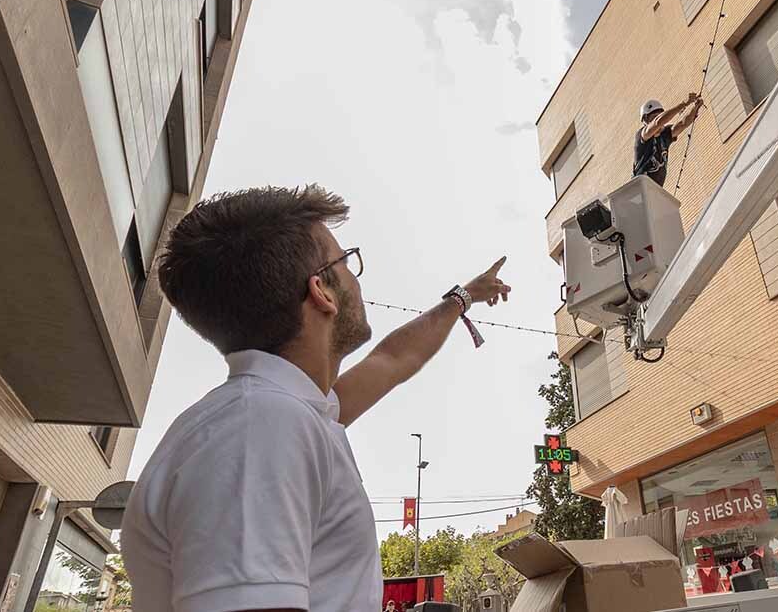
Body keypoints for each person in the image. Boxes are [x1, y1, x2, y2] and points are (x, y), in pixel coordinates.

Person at [121, 185, 511, 612]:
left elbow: (395, 359)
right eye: (346, 263)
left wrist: (463, 297)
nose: (357, 278)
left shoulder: (290, 412)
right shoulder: (261, 426)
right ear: (322, 291)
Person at [633, 92, 704, 187]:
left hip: (654, 190)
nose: (662, 121)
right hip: (639, 187)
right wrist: (684, 103)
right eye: (654, 116)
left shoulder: (664, 135)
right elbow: (658, 122)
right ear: (645, 121)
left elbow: (683, 123)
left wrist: (695, 108)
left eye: (661, 114)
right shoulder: (642, 135)